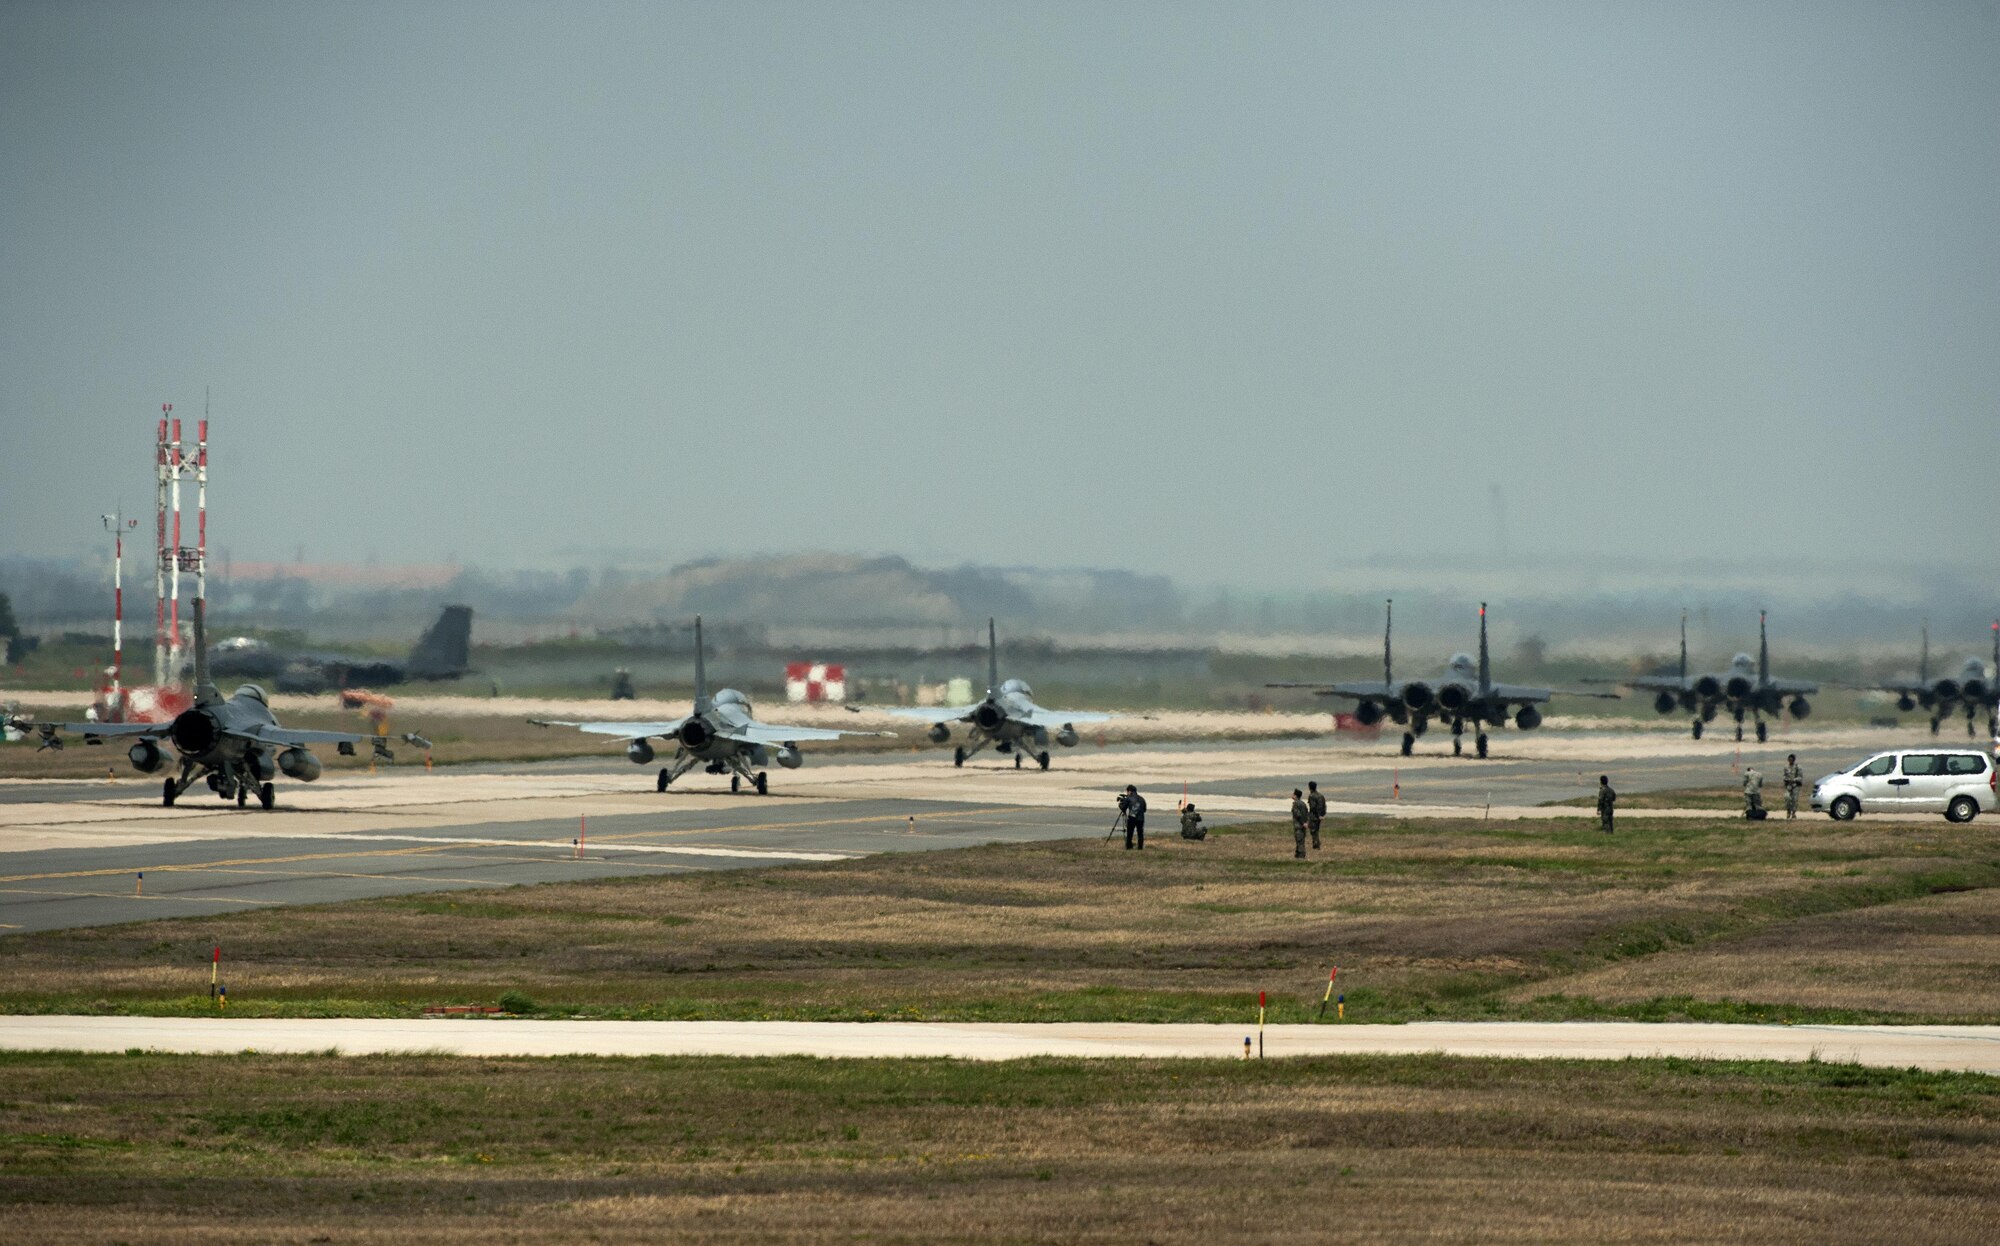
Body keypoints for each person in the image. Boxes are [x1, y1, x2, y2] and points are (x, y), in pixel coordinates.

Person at [1122, 784, 1147, 850]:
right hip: (1141, 819)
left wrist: (1120, 804)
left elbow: (1123, 807)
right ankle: (1140, 847)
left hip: (1132, 818)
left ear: (1129, 791)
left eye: (1127, 792)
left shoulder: (1129, 798)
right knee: (1140, 833)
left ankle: (1129, 846)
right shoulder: (1142, 799)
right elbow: (1144, 810)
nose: (1127, 793)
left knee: (1130, 833)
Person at [1306, 781, 1326, 850]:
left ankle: (1316, 844)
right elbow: (1324, 806)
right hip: (1319, 816)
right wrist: (1322, 815)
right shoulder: (1321, 795)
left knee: (1313, 831)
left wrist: (1316, 815)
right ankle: (1316, 844)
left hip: (1314, 815)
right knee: (1316, 830)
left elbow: (1313, 807)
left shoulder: (1312, 796)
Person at [1782, 754, 1803, 820]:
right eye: (1789, 759)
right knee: (1787, 798)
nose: (1790, 760)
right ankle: (1788, 811)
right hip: (1788, 785)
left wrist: (1794, 780)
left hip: (1795, 785)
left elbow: (1800, 777)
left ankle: (1793, 813)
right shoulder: (1786, 767)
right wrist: (1786, 779)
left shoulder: (1798, 767)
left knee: (1794, 800)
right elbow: (1784, 775)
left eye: (1791, 759)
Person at [1290, 788, 1309, 859]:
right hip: (1303, 826)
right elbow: (1307, 814)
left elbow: (1297, 815)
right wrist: (1306, 822)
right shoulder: (1303, 804)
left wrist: (1302, 823)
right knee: (1301, 841)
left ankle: (1301, 857)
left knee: (1299, 842)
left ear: (1295, 796)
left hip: (1299, 826)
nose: (1292, 795)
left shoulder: (1296, 804)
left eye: (1293, 794)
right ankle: (1298, 856)